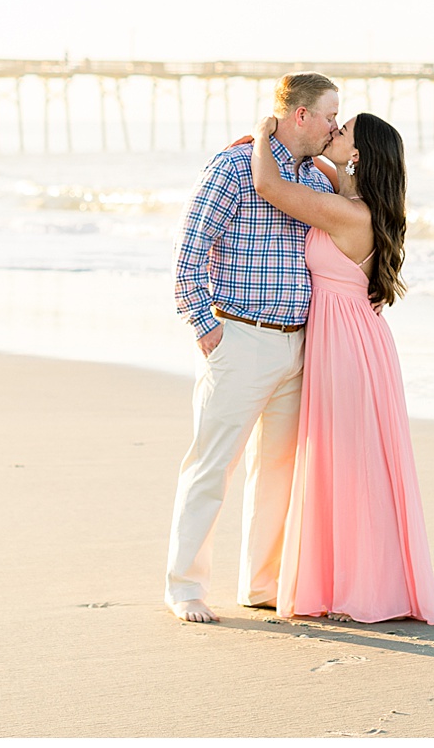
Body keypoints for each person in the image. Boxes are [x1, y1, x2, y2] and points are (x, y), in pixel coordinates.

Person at [248, 110, 434, 625]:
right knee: (351, 465)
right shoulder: (351, 197)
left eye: (342, 132)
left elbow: (267, 183)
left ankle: (365, 587)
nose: (332, 134)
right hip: (352, 339)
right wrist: (308, 140)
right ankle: (356, 578)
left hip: (349, 348)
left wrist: (264, 131)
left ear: (356, 154)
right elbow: (320, 163)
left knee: (351, 467)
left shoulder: (348, 213)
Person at [163, 72, 341, 624]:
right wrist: (207, 332)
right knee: (211, 467)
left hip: (298, 347)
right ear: (302, 115)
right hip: (239, 338)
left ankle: (261, 585)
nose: (337, 124)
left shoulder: (320, 180)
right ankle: (185, 588)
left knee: (278, 474)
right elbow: (188, 252)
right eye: (331, 114)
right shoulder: (234, 168)